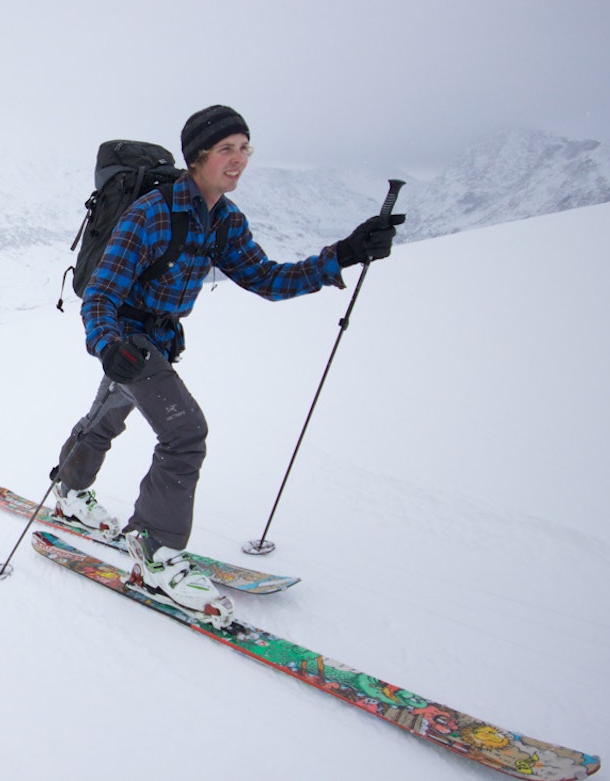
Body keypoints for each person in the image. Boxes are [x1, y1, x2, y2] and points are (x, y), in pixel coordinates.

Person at [54, 105, 403, 628]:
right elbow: (100, 294)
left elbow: (266, 278)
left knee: (109, 413)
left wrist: (345, 254)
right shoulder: (150, 214)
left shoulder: (224, 220)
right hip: (129, 337)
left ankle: (71, 490)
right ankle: (154, 552)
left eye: (245, 148)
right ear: (198, 157)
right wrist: (109, 344)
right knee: (184, 432)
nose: (239, 160)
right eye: (227, 149)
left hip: (161, 338)